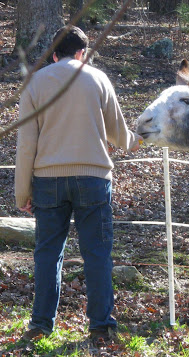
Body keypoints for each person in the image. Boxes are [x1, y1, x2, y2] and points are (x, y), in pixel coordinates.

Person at [14, 25, 142, 344]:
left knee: (47, 254)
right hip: (93, 179)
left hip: (48, 180)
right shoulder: (97, 78)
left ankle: (41, 325)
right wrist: (136, 141)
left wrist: (22, 192)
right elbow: (117, 133)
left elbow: (26, 144)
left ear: (54, 54)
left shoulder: (35, 83)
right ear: (82, 53)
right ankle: (101, 325)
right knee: (97, 253)